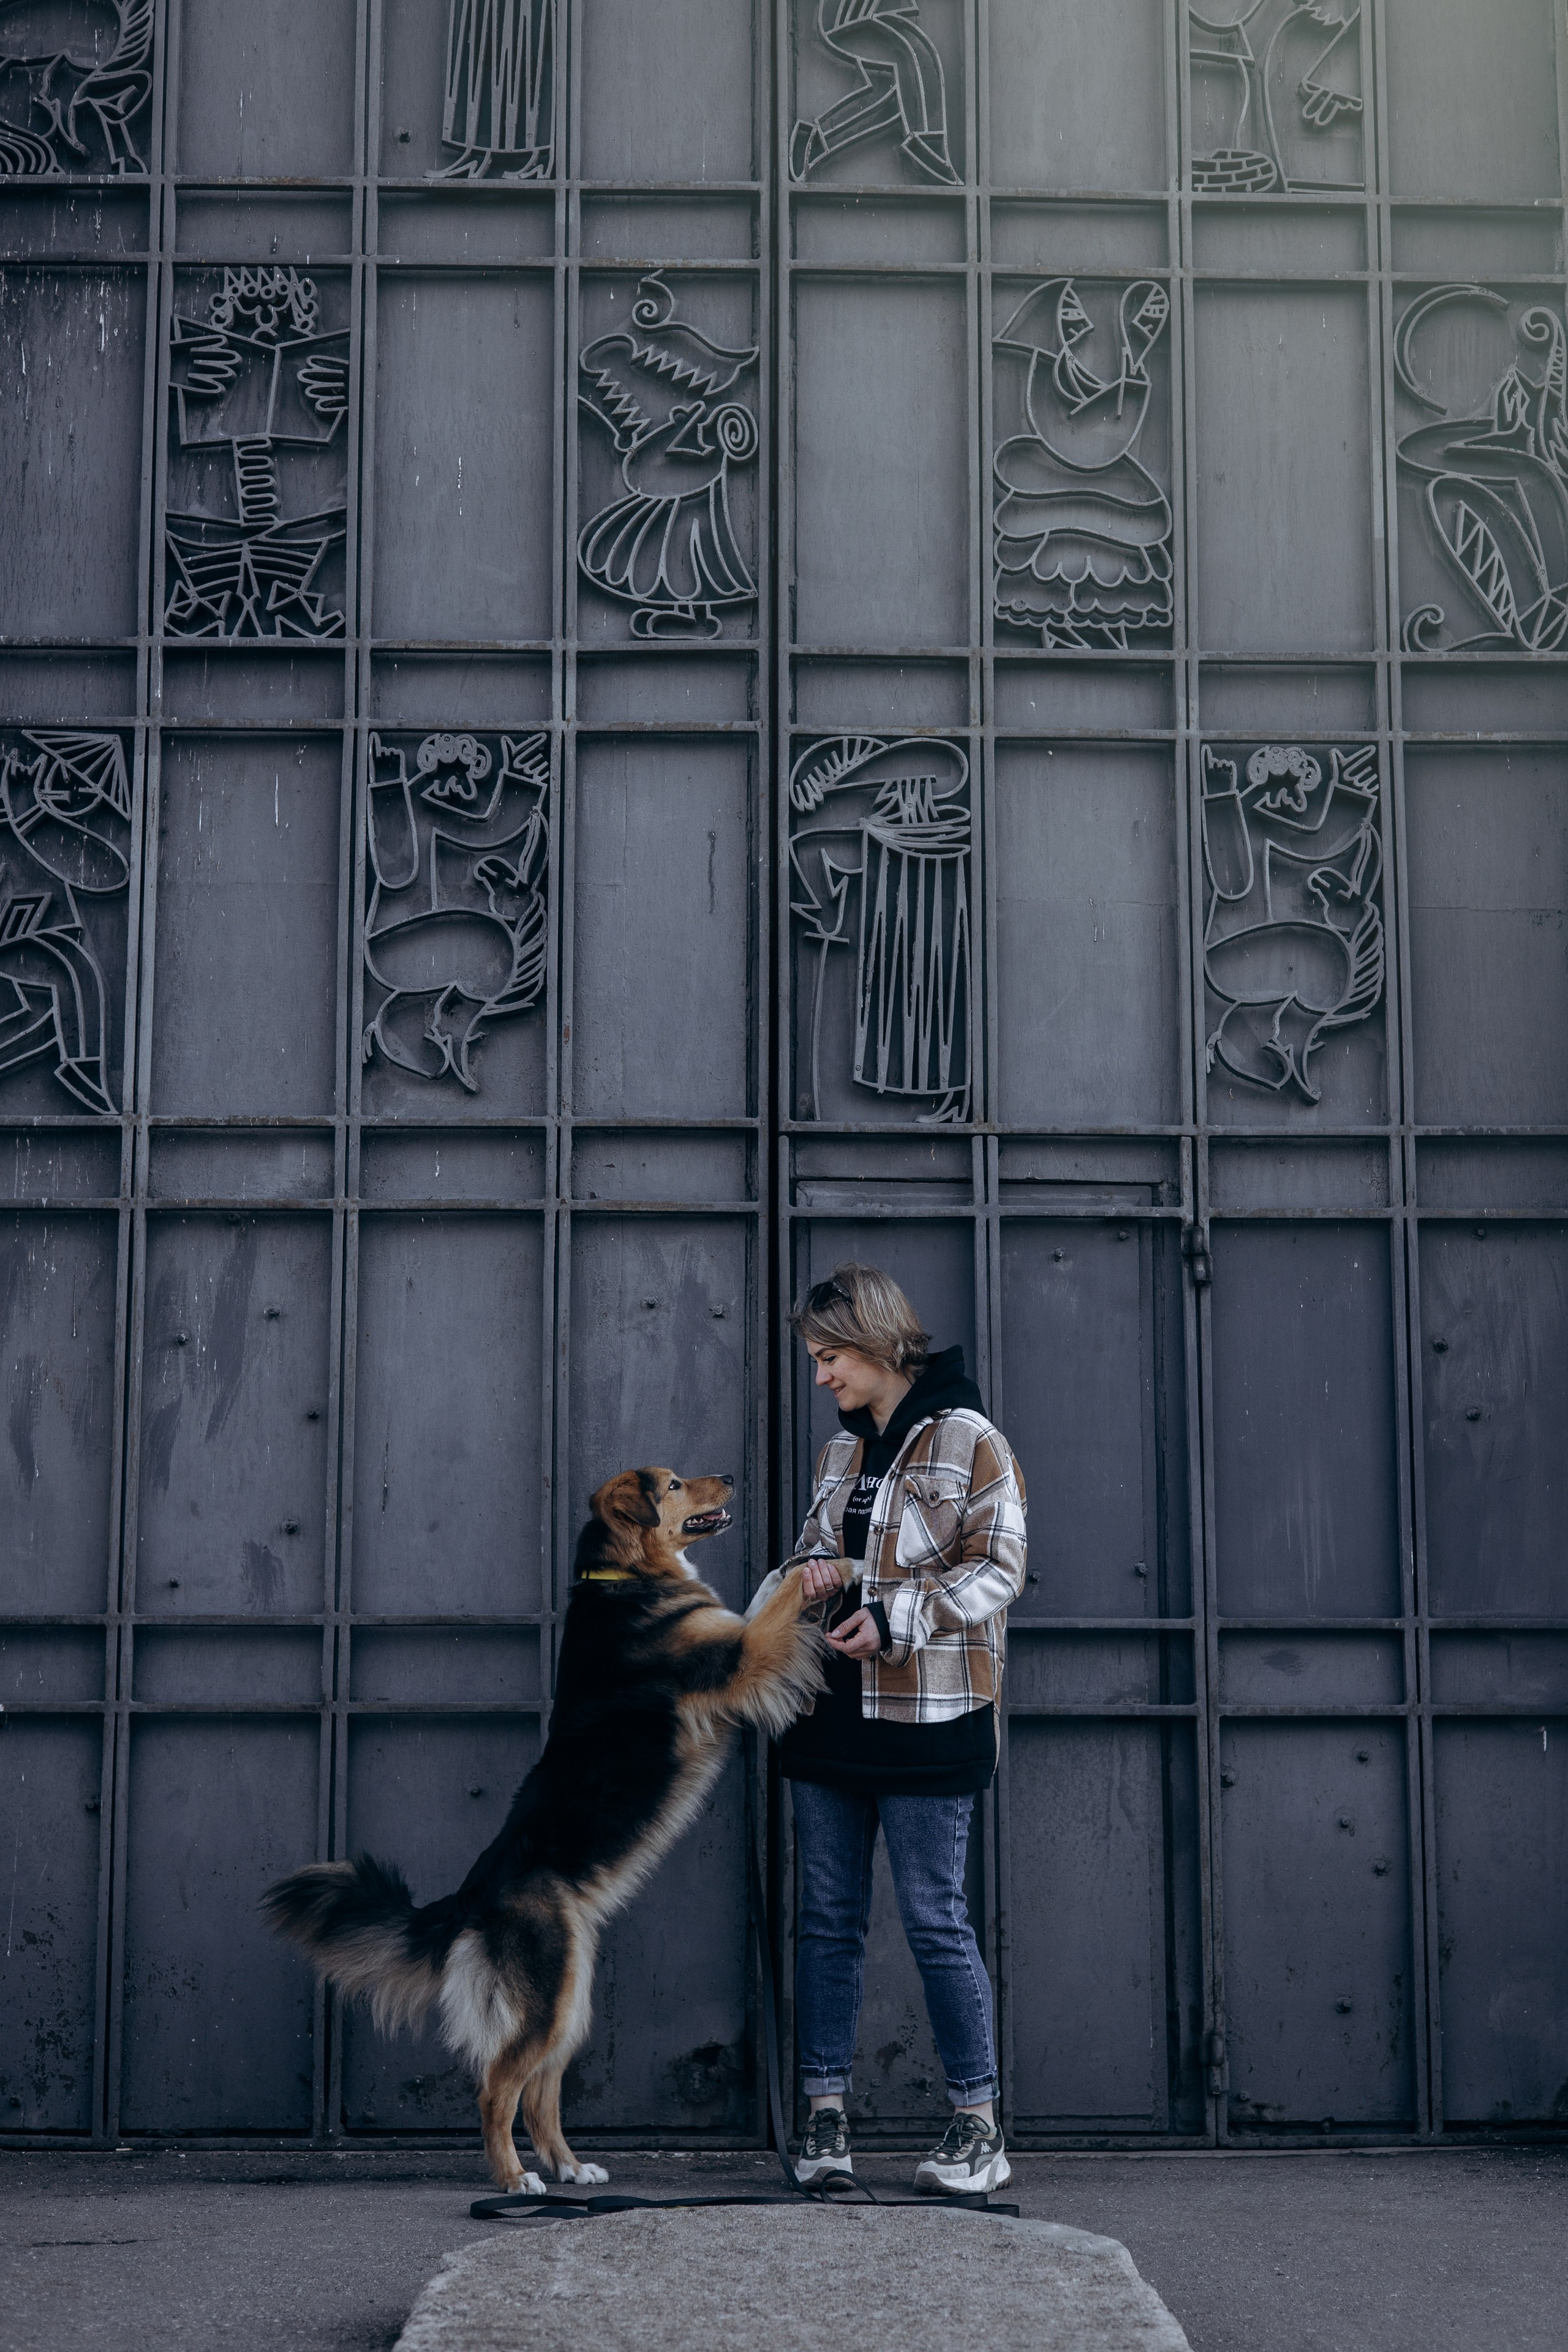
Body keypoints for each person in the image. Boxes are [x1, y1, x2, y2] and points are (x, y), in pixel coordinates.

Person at [759, 1262, 1027, 2193]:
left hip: (929, 1719)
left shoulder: (970, 1440)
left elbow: (1000, 1570)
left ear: (879, 1345)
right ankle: (825, 2118)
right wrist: (818, 1572)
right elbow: (809, 1553)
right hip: (829, 1718)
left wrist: (899, 1616)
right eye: (816, 1358)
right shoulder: (842, 1455)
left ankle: (978, 2126)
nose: (823, 1375)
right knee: (827, 1922)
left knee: (934, 1920)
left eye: (831, 1356)